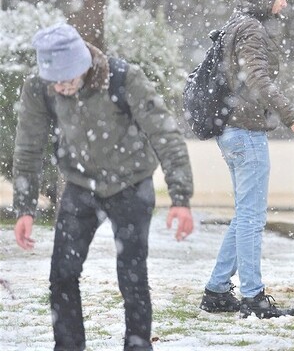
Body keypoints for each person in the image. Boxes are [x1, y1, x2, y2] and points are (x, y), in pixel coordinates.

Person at [12, 23, 194, 351]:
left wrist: (180, 197)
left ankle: (138, 346)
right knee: (62, 275)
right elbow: (28, 146)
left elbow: (165, 134)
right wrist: (24, 207)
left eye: (67, 79)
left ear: (82, 66)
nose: (62, 88)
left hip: (131, 185)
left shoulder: (124, 79)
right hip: (81, 186)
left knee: (132, 276)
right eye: (55, 83)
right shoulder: (40, 87)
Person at [199, 0, 294, 319]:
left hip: (234, 130)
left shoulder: (238, 24)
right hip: (245, 132)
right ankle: (253, 297)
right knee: (252, 217)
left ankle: (217, 290)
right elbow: (258, 79)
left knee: (245, 214)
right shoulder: (250, 29)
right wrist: (293, 117)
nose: (283, 3)